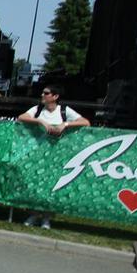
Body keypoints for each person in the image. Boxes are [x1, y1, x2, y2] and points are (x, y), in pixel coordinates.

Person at [17, 85, 90, 229]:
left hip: (57, 155)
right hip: (39, 154)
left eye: (46, 93)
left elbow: (86, 122)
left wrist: (66, 124)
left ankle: (46, 218)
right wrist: (40, 121)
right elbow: (21, 117)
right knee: (35, 184)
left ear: (55, 96)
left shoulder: (64, 110)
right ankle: (33, 214)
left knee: (51, 185)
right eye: (43, 92)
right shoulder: (37, 109)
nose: (42, 95)